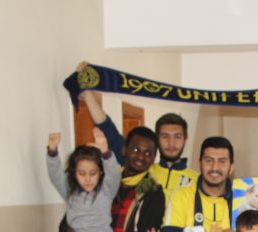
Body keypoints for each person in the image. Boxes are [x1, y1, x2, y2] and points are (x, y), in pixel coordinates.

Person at [76, 65, 199, 202]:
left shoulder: (197, 180)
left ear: (185, 140)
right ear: (157, 139)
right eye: (165, 136)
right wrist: (87, 90)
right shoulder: (140, 166)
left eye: (177, 136)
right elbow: (106, 126)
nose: (171, 143)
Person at [46, 128, 122, 232]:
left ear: (100, 172)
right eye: (82, 173)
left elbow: (114, 174)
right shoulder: (70, 190)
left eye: (93, 173)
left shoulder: (106, 190)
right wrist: (52, 151)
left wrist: (105, 152)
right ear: (74, 173)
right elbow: (56, 175)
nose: (87, 179)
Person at [165, 136, 238, 232]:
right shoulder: (181, 194)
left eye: (222, 161)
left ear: (231, 167)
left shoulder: (241, 197)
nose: (215, 167)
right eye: (209, 160)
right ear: (200, 163)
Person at [111, 127, 167, 232]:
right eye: (136, 150)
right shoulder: (107, 180)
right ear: (124, 149)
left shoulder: (153, 191)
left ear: (154, 158)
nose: (141, 157)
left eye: (148, 153)